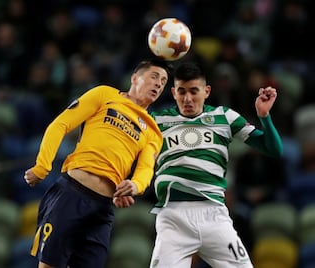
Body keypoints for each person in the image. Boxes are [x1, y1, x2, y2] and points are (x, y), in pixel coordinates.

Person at [23, 59, 172, 268]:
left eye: (163, 81)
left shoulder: (153, 131)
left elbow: (146, 169)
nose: (158, 84)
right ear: (135, 78)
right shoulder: (105, 95)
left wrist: (135, 186)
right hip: (72, 194)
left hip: (102, 210)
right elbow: (61, 124)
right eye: (154, 77)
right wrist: (42, 166)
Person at [148, 62, 283, 267]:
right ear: (174, 92)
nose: (187, 99)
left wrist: (264, 117)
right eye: (182, 92)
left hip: (214, 214)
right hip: (173, 217)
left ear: (207, 91)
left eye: (194, 91)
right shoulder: (156, 120)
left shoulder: (224, 117)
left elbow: (273, 149)